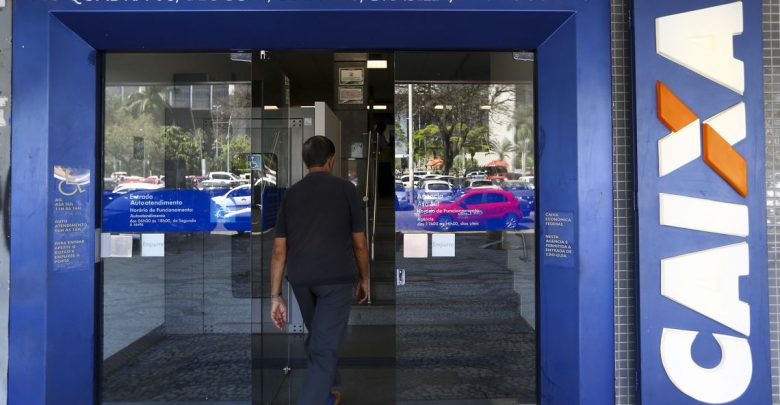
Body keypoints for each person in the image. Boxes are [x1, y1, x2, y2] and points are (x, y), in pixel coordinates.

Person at [269, 135, 370, 405]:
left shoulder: (291, 194)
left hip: (301, 279)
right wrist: (365, 277)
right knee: (324, 346)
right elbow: (359, 243)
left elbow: (279, 250)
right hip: (336, 280)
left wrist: (275, 296)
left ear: (306, 162)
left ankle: (324, 393)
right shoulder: (346, 189)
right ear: (331, 160)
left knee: (318, 337)